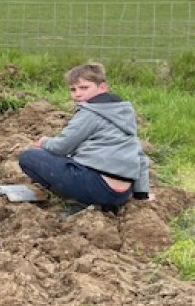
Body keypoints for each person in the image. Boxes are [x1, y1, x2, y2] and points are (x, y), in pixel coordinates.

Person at [17, 62, 152, 215]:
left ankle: (77, 201)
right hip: (121, 195)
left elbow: (62, 147)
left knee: (29, 157)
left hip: (97, 188)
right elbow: (140, 157)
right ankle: (96, 202)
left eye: (84, 88)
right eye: (73, 89)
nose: (78, 94)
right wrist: (142, 194)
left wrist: (44, 142)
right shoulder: (123, 114)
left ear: (102, 87)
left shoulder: (90, 112)